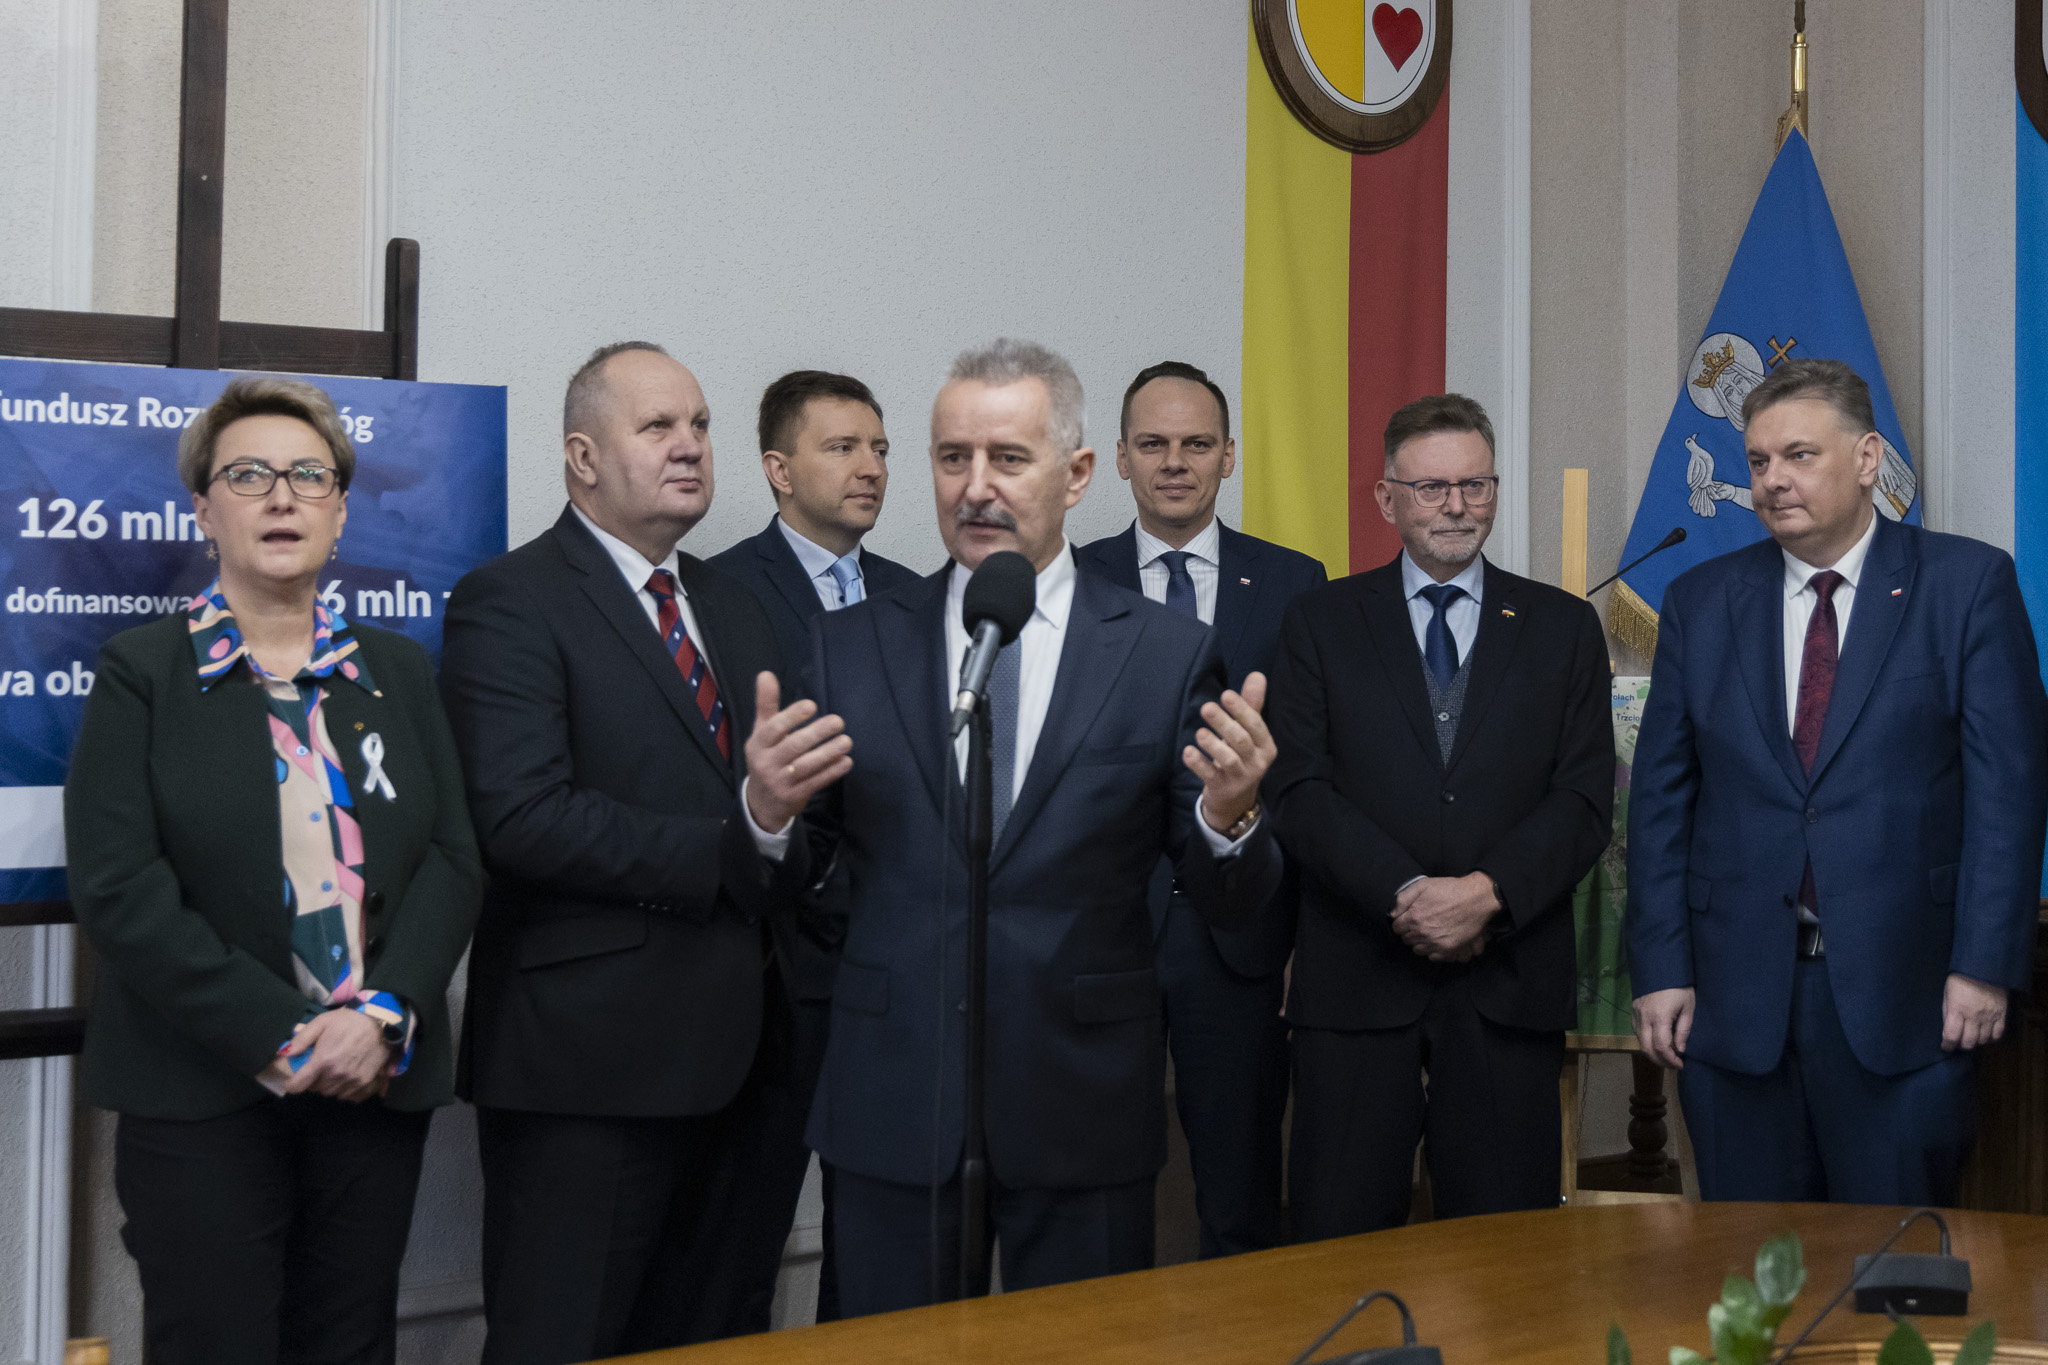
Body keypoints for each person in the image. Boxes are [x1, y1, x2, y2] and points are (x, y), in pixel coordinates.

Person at [777, 338, 1281, 1313]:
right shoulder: (850, 645)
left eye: (1007, 458)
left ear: (1077, 473)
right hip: (894, 1099)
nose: (975, 487)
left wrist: (1229, 817)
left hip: (1080, 1101)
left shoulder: (1164, 654)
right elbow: (795, 876)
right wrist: (764, 816)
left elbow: (1232, 899)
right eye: (952, 457)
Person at [64, 375, 482, 1365]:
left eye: (309, 475)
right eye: (249, 475)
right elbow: (120, 888)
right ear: (203, 510)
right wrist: (286, 1035)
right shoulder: (141, 672)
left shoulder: (396, 670)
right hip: (201, 1095)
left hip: (371, 1086)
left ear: (341, 509)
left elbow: (453, 857)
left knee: (349, 1346)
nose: (283, 496)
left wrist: (382, 1015)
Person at [440, 342, 844, 1363]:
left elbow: (788, 814)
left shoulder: (736, 604)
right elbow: (522, 818)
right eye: (658, 426)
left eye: (699, 425)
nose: (690, 446)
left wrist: (775, 828)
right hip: (586, 1072)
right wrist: (741, 836)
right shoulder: (509, 599)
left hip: (748, 1065)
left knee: (717, 1341)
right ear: (582, 456)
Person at [1628, 358, 2048, 1204]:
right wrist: (1662, 967)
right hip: (1735, 1006)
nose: (1772, 480)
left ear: (1866, 459)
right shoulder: (1701, 600)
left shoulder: (1966, 584)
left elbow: (2008, 793)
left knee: (1891, 1265)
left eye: (1798, 455)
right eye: (1758, 461)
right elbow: (1661, 803)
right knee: (1749, 1270)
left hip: (1910, 1001)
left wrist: (1983, 966)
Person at [1265, 392, 1612, 1238]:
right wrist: (1407, 892)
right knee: (1338, 1243)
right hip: (1356, 981)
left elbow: (1582, 800)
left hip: (1506, 986)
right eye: (1431, 488)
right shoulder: (1320, 620)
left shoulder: (1563, 627)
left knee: (1504, 1256)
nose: (1456, 505)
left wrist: (1486, 894)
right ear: (1387, 498)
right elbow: (1297, 789)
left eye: (1474, 484)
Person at [1076, 360, 1324, 1256]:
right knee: (1097, 1192)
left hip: (1242, 936)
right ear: (1119, 458)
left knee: (1242, 1192)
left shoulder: (1295, 581)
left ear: (1230, 455)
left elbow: (1309, 768)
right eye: (1153, 443)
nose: (1174, 462)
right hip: (1101, 935)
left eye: (1195, 443)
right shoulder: (1069, 579)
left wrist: (1303, 934)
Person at [704, 369, 918, 1324]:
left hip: (895, 965)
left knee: (876, 1245)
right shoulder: (720, 592)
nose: (870, 467)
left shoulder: (919, 597)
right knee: (741, 1237)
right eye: (842, 448)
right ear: (778, 469)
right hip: (774, 965)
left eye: (880, 448)